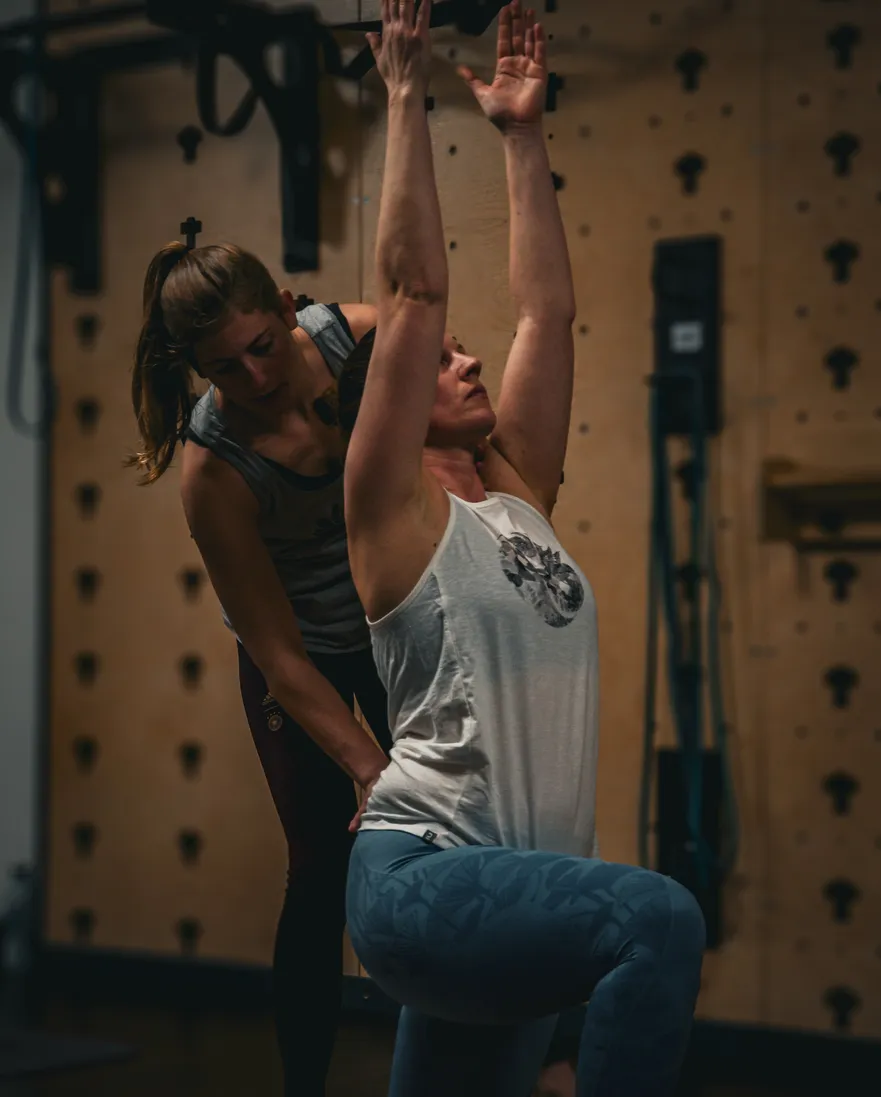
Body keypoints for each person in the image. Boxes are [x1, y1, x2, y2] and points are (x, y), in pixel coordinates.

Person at [340, 3, 707, 1096]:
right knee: (660, 915)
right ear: (389, 403)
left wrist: (518, 135)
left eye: (463, 352)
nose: (464, 360)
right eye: (443, 359)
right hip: (426, 880)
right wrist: (405, 99)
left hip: (512, 893)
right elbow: (414, 291)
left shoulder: (516, 495)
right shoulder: (389, 512)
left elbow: (547, 314)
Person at [128, 244, 393, 1094]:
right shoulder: (213, 469)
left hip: (395, 626)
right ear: (194, 368)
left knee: (465, 833)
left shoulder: (357, 338)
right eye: (222, 367)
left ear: (285, 306)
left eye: (261, 346)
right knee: (321, 870)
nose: (252, 375)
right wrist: (370, 769)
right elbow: (278, 653)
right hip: (302, 651)